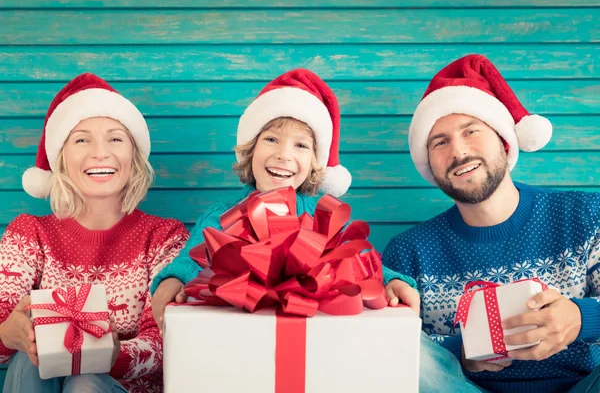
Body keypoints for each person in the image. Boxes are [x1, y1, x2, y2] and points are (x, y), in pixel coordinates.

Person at [151, 68, 480, 393]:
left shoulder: (326, 215)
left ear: (314, 163)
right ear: (250, 150)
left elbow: (361, 257)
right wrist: (173, 279)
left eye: (301, 146)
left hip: (323, 347)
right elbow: (194, 256)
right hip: (243, 348)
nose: (284, 154)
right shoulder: (223, 216)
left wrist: (391, 279)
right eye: (271, 139)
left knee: (420, 359)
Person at [384, 54, 600, 393]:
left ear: (503, 140)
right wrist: (461, 353)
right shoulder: (408, 252)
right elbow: (391, 356)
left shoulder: (586, 215)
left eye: (471, 131)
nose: (458, 152)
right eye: (440, 142)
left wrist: (581, 318)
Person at [0, 73, 189, 393]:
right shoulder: (29, 235)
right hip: (35, 379)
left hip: (123, 387)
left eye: (115, 138)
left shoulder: (164, 238)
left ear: (134, 155)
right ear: (61, 158)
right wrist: (10, 333)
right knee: (27, 360)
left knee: (84, 380)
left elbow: (167, 342)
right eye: (82, 139)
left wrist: (111, 354)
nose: (100, 152)